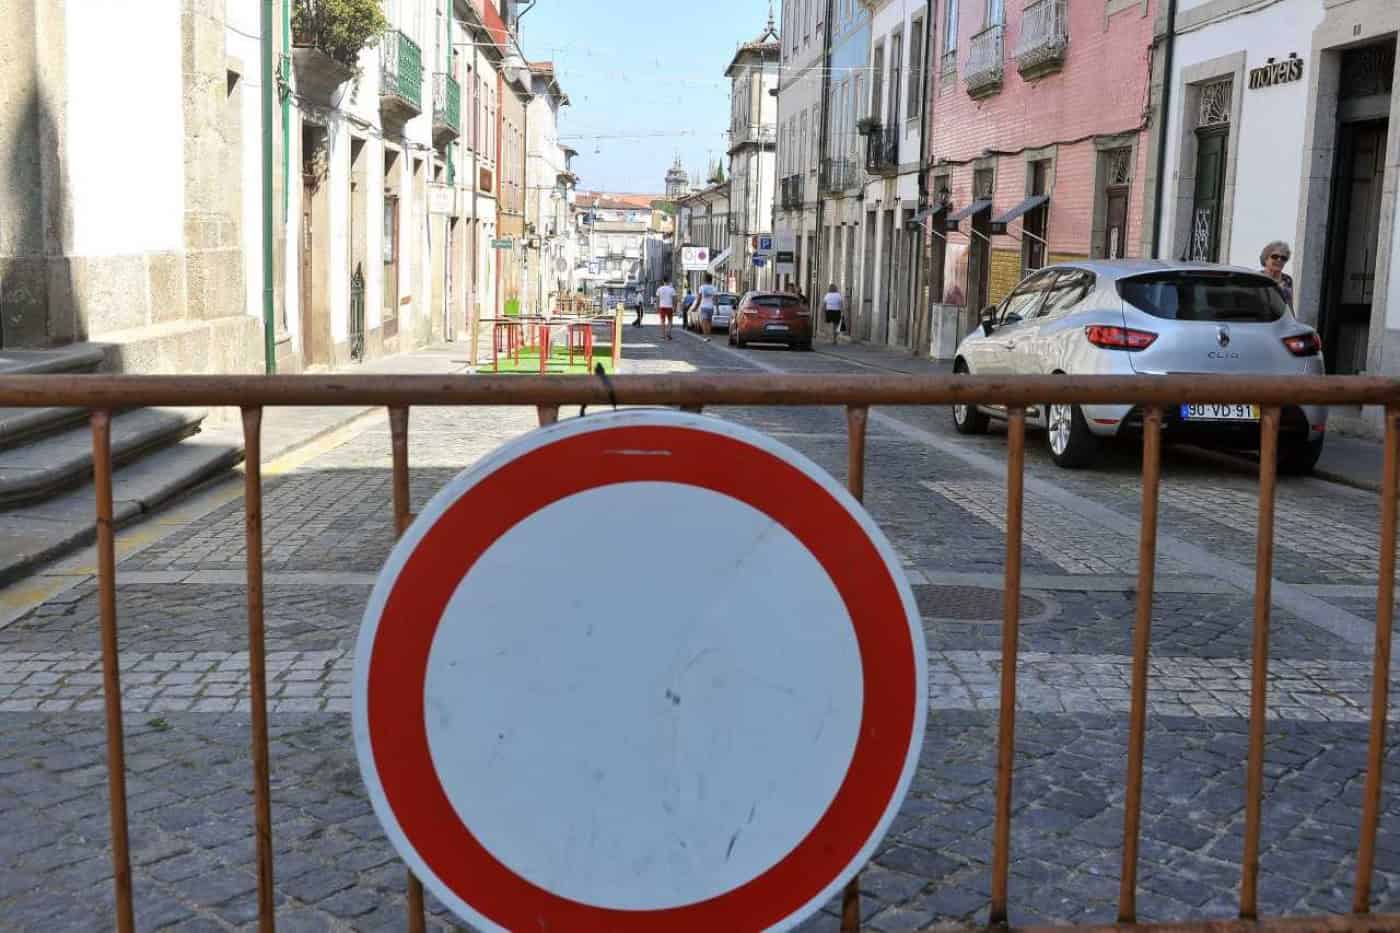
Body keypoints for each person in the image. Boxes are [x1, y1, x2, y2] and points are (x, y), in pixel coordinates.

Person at [1260, 241, 1294, 308]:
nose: (1279, 260)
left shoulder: (1287, 279)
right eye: (1275, 256)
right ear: (1266, 259)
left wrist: (1292, 318)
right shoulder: (1258, 277)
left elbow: (1289, 306)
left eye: (1283, 258)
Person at [696, 273, 719, 341]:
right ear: (711, 280)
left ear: (705, 279)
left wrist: (696, 307)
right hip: (711, 307)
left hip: (703, 307)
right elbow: (716, 299)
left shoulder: (702, 287)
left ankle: (705, 336)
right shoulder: (714, 288)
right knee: (709, 322)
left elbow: (699, 298)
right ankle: (708, 336)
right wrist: (717, 309)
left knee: (703, 322)